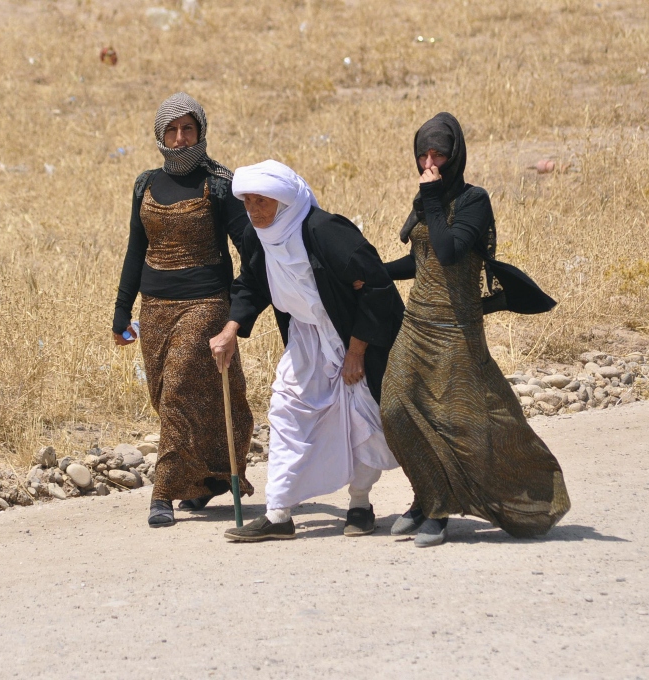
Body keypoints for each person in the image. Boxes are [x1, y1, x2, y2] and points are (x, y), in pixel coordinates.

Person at [379, 112, 571, 548]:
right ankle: (426, 494)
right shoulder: (426, 199)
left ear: (455, 155)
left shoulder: (473, 201)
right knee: (394, 408)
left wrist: (430, 197)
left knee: (455, 421)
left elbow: (449, 253)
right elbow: (424, 260)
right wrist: (375, 271)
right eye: (423, 154)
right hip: (416, 325)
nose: (430, 163)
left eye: (439, 155)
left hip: (455, 329)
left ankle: (439, 511)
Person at [209, 160, 404, 542]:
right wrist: (231, 328)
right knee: (287, 409)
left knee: (363, 419)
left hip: (352, 336)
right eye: (246, 202)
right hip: (305, 337)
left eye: (260, 202)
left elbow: (377, 287)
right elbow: (251, 283)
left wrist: (357, 351)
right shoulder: (257, 236)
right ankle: (278, 513)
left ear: (283, 201)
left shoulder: (325, 231)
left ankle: (360, 504)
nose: (253, 210)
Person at [113, 93, 254, 528]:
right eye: (172, 130)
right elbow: (137, 251)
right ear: (160, 134)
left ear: (201, 132)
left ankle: (164, 493)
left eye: (188, 129)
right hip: (154, 308)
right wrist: (121, 313)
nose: (180, 138)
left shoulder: (219, 184)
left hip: (205, 304)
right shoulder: (145, 184)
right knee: (168, 397)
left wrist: (239, 310)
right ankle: (206, 481)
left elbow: (250, 249)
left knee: (176, 391)